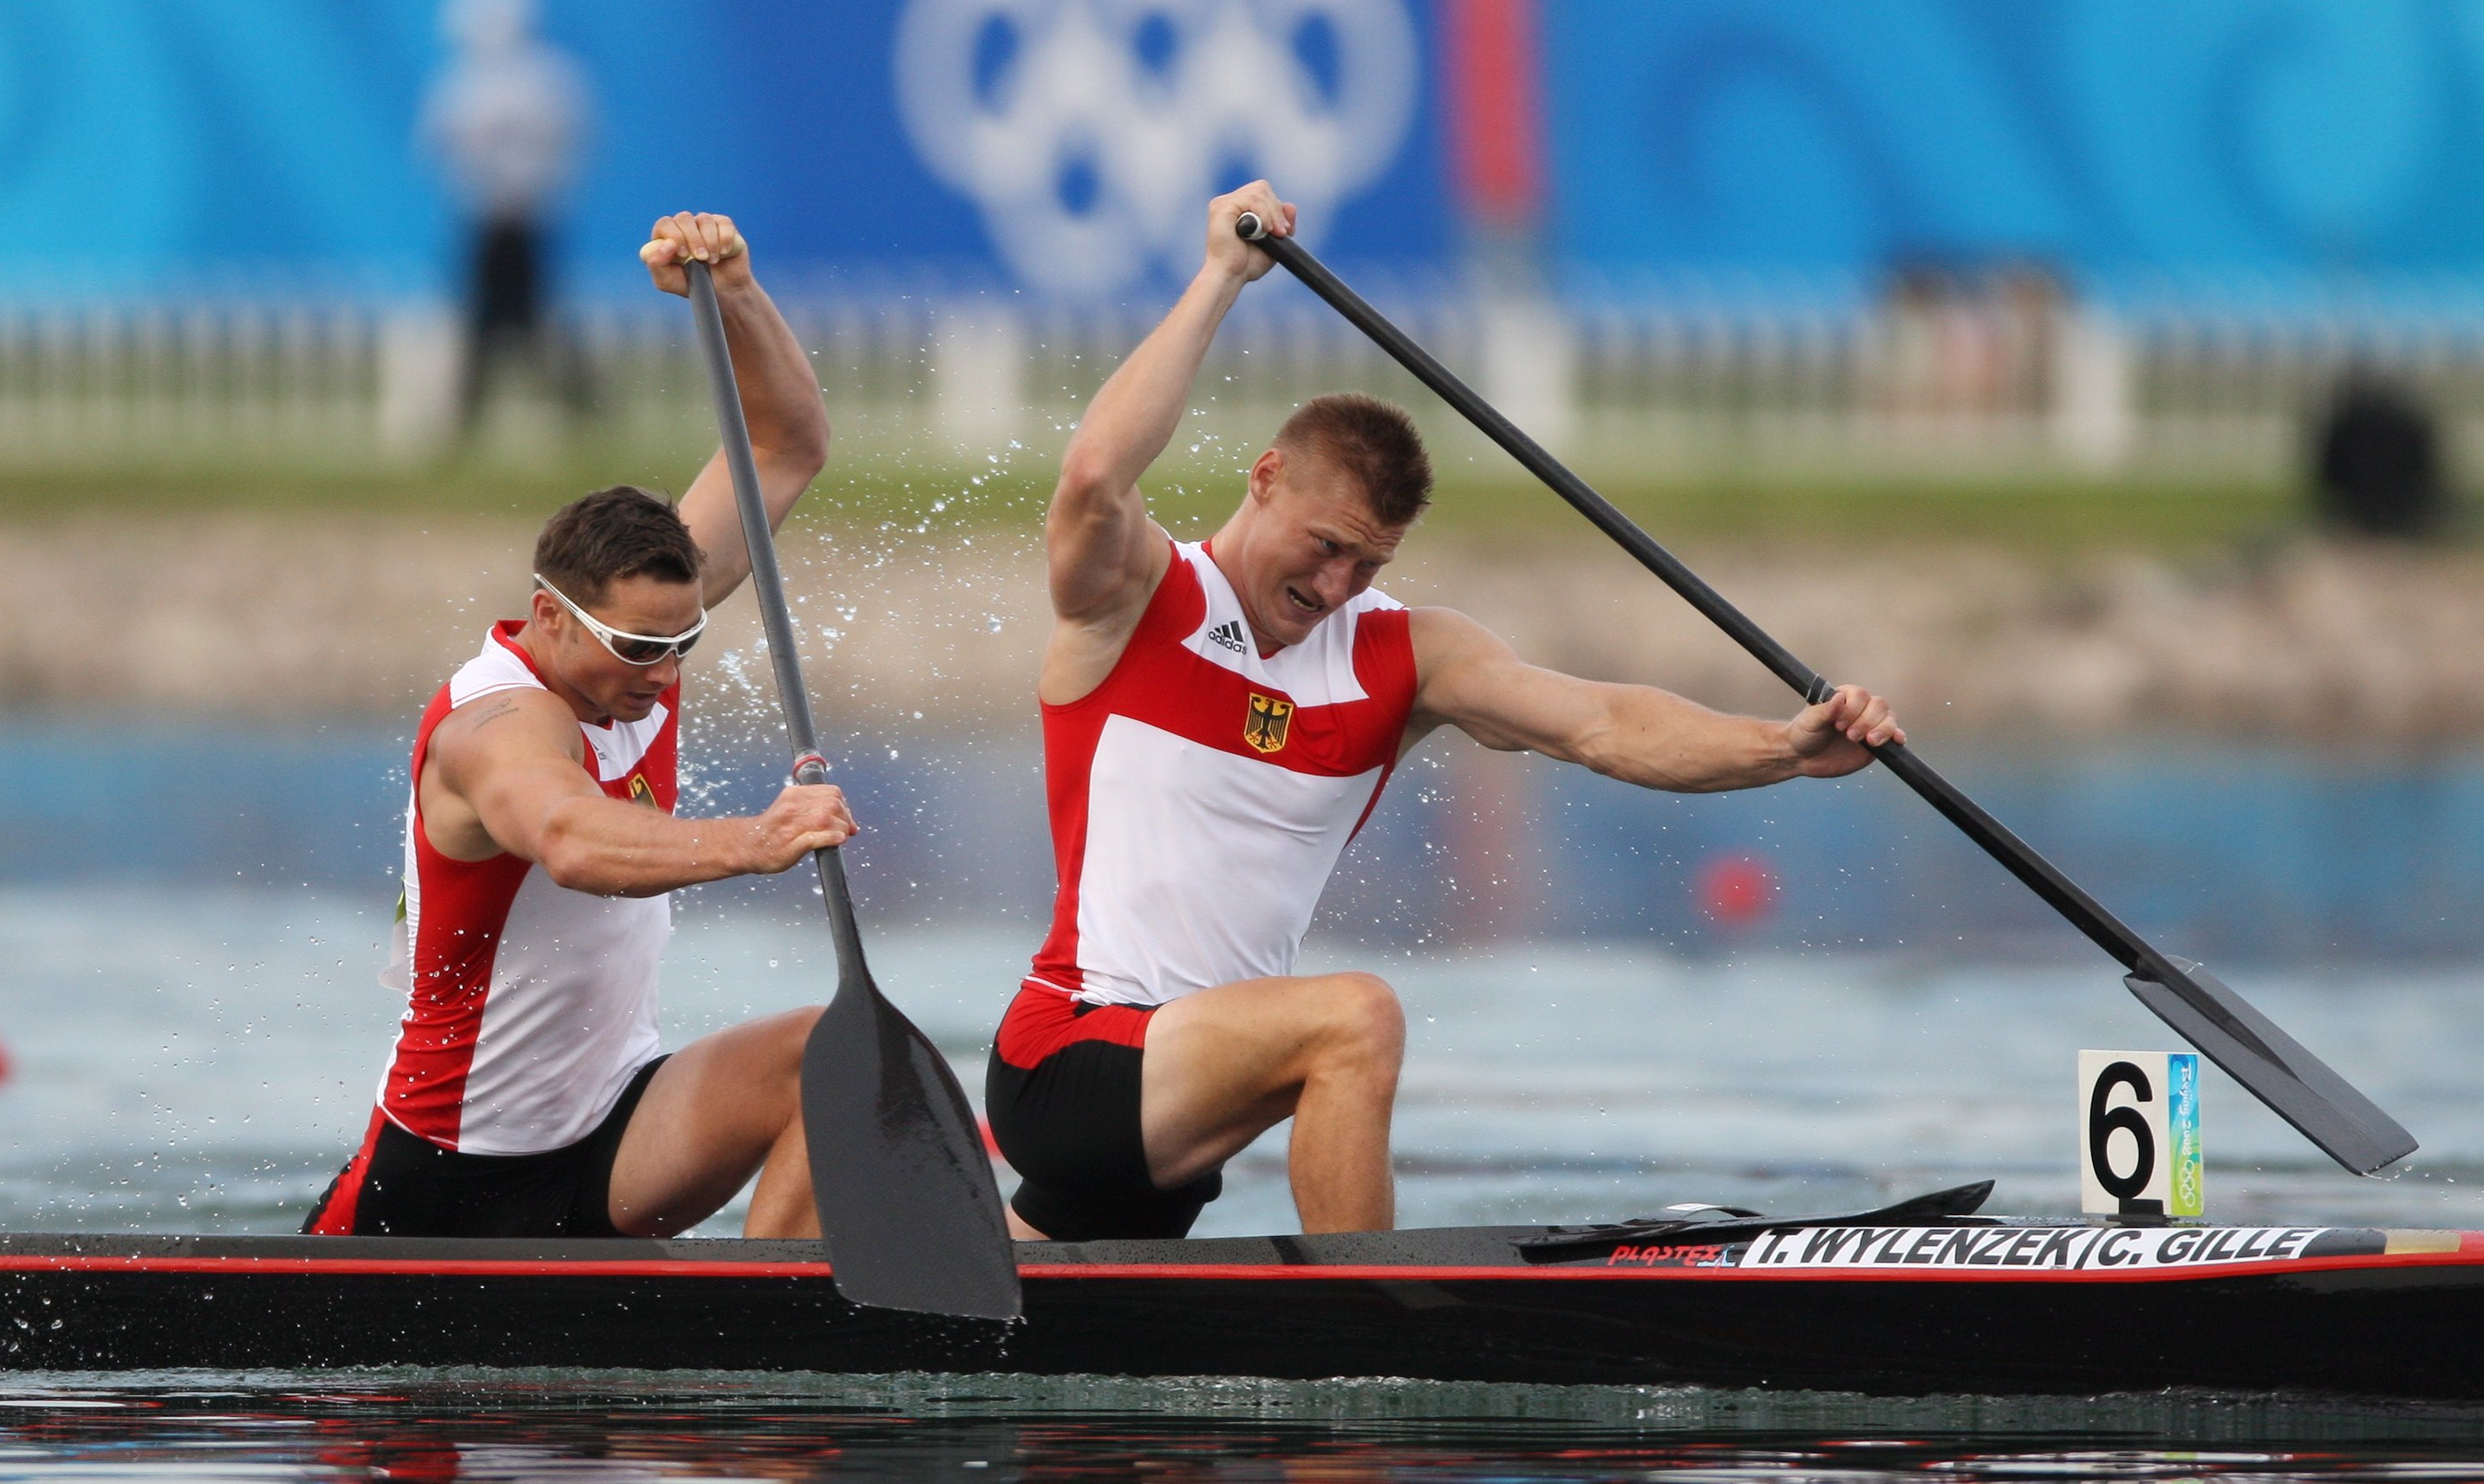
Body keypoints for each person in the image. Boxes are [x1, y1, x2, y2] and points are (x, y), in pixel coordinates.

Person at [988, 181, 1907, 1243]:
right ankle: (1373, 1325)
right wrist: (1218, 278)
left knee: (1033, 1295)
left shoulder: (1406, 654)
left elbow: (1599, 723)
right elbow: (1097, 473)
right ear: (1266, 478)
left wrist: (1784, 749)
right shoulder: (1138, 600)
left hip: (1188, 1099)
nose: (1334, 587)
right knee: (1354, 1017)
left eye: (1366, 562)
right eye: (1324, 545)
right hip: (1071, 1053)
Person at [306, 212, 858, 1240]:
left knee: (827, 1059)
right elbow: (567, 837)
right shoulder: (494, 724)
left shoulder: (643, 629)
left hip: (610, 1131)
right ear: (550, 613)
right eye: (639, 648)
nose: (664, 672)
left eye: (683, 641)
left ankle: (774, 1347)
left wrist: (734, 290)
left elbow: (786, 445)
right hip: (445, 1176)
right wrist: (756, 838)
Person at [419, 0, 595, 433]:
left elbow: (569, 142)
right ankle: (474, 412)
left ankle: (576, 405)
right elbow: (437, 145)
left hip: (528, 218)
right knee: (494, 318)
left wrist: (535, 190)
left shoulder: (548, 78)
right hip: (485, 218)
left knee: (523, 315)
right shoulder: (462, 81)